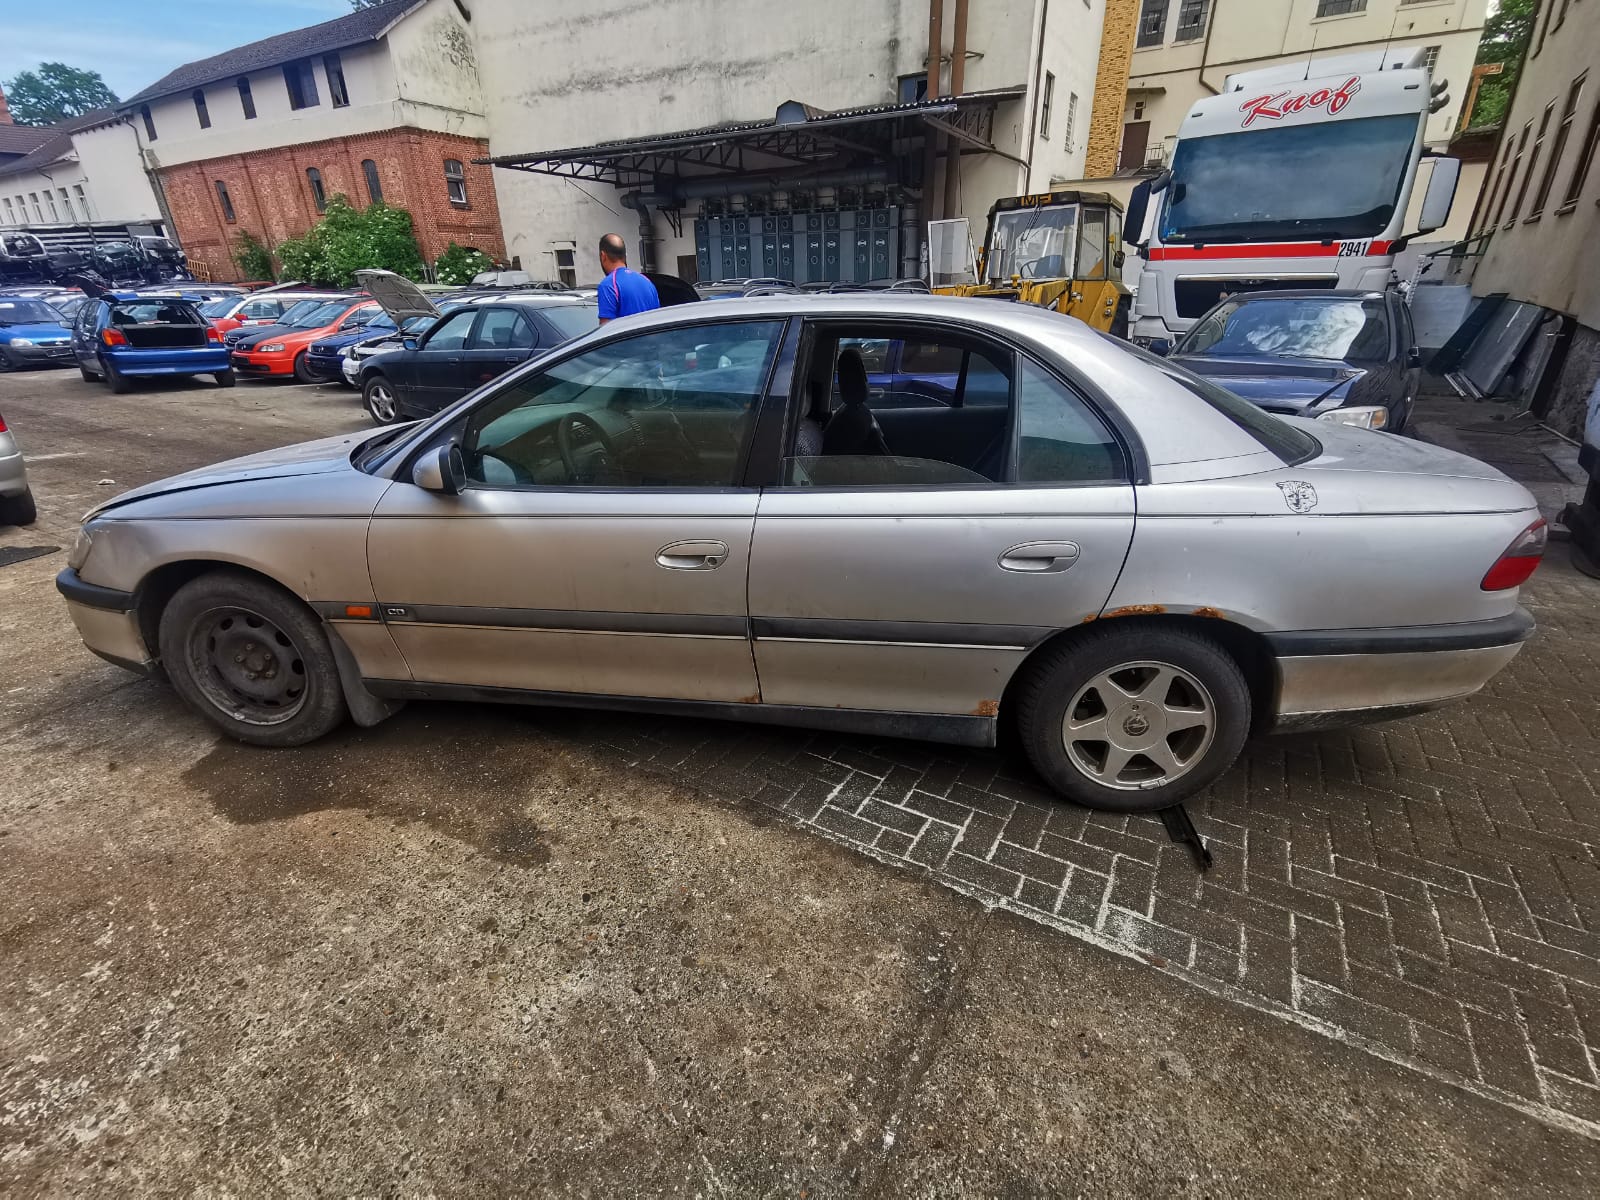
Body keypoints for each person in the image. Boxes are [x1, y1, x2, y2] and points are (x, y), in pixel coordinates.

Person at [596, 233, 660, 324]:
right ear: (625, 255)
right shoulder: (647, 282)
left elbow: (606, 329)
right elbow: (658, 319)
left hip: (629, 338)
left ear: (603, 256)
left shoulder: (609, 285)